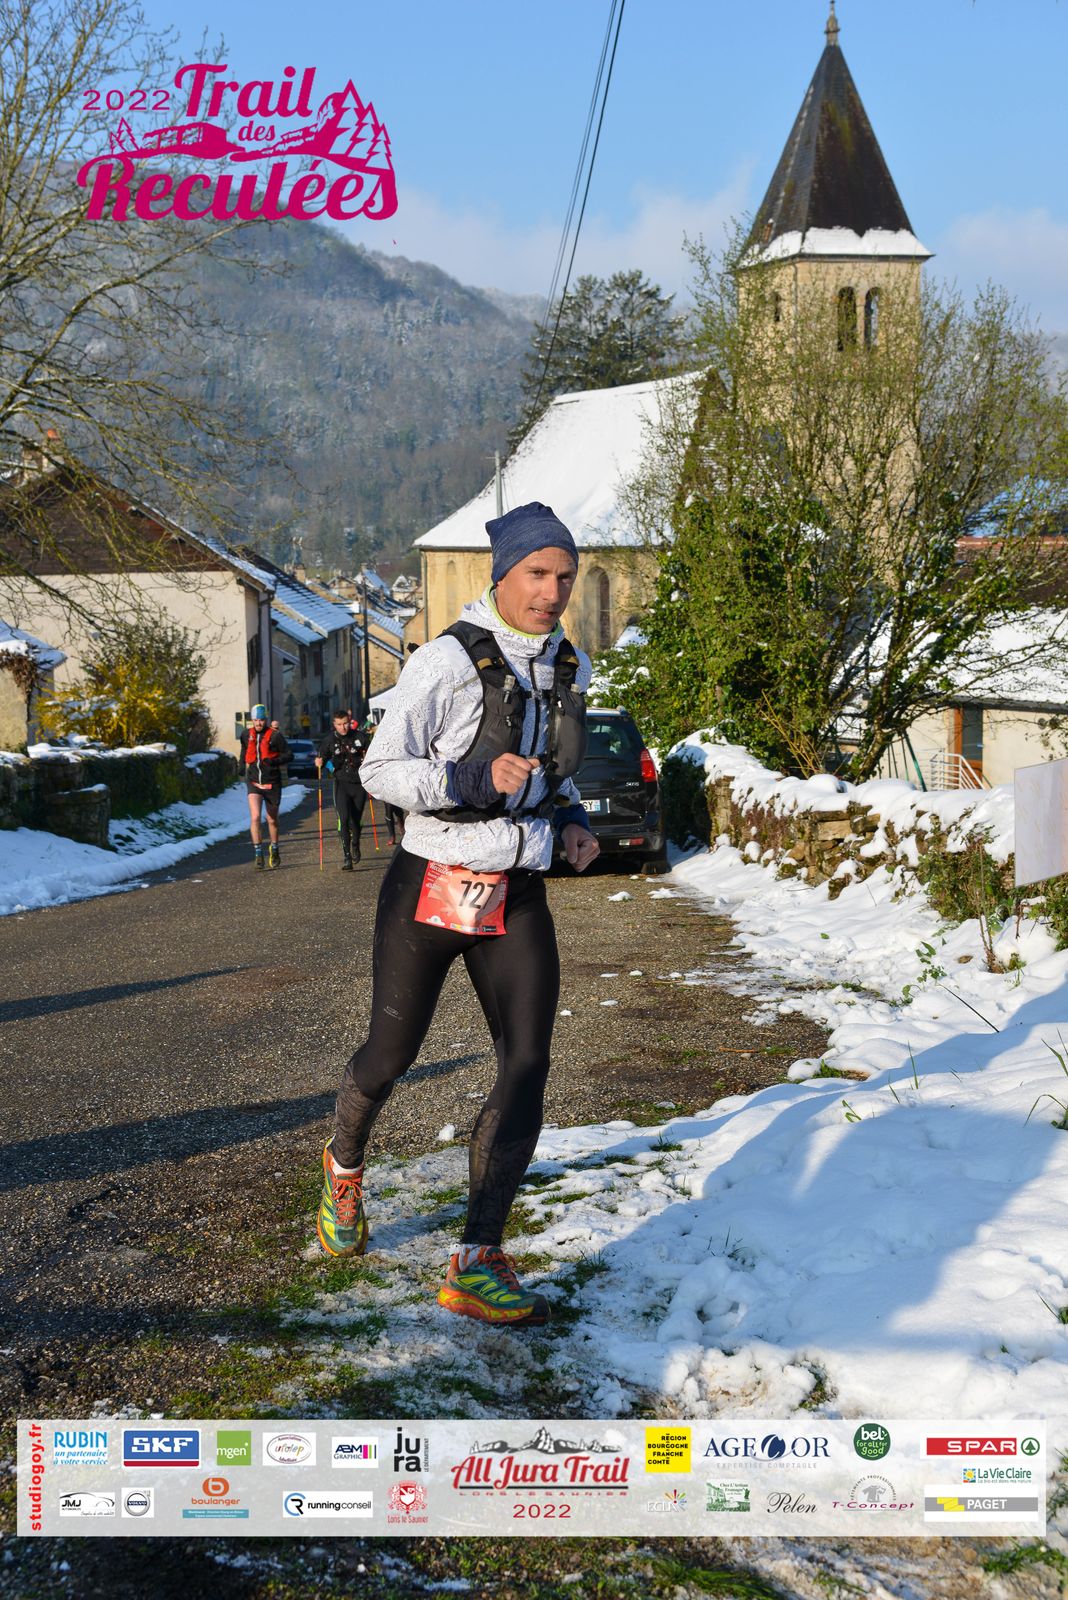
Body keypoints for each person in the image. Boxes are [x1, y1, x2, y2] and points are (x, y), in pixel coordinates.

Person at [316, 502, 599, 1327]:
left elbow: (553, 770)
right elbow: (380, 770)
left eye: (565, 577)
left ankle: (477, 1258)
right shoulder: (444, 662)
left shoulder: (567, 664)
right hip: (433, 881)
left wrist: (570, 820)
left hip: (518, 884)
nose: (552, 592)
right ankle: (344, 1166)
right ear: (502, 575)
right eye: (537, 574)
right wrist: (471, 781)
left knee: (528, 1061)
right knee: (390, 1054)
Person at [316, 709, 367, 869]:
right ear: (334, 724)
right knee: (343, 819)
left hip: (359, 784)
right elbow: (322, 758)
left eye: (345, 723)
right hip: (341, 783)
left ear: (349, 722)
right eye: (339, 724)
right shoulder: (329, 740)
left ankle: (355, 844)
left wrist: (367, 757)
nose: (343, 727)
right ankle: (347, 856)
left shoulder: (360, 737)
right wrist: (320, 762)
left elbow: (372, 754)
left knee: (355, 820)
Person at [240, 704, 290, 869]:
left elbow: (289, 755)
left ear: (265, 719)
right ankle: (258, 853)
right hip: (254, 782)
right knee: (255, 817)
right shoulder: (246, 734)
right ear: (252, 720)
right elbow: (244, 751)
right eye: (255, 720)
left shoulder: (275, 736)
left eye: (261, 720)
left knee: (271, 819)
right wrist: (241, 767)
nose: (258, 723)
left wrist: (274, 761)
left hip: (272, 783)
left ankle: (274, 848)